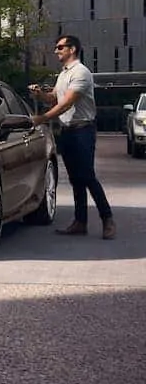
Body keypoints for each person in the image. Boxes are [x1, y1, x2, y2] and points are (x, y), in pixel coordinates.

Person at [30, 34, 115, 240]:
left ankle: (108, 219)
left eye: (60, 47)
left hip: (83, 130)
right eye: (56, 47)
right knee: (76, 179)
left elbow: (67, 103)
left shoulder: (81, 73)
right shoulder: (63, 74)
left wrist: (41, 119)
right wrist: (41, 94)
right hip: (67, 131)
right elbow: (56, 98)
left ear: (72, 49)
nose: (56, 51)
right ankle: (80, 222)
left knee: (87, 176)